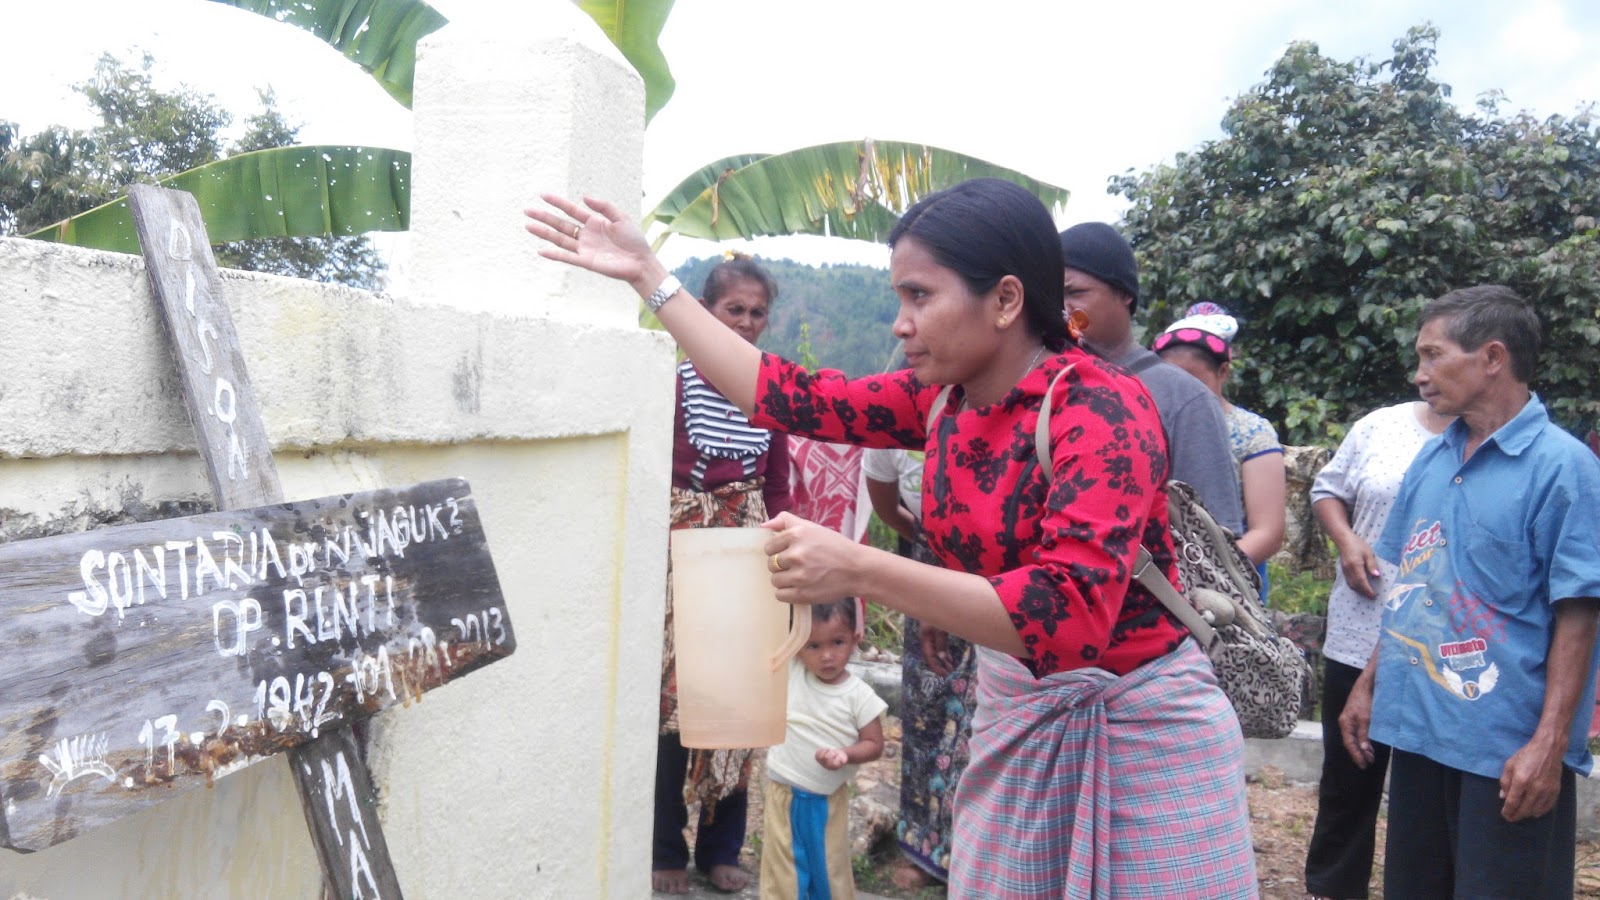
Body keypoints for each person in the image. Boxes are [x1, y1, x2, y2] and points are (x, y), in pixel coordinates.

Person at [527, 177, 1258, 897]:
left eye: (919, 296)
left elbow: (1068, 616)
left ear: (1006, 300)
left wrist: (862, 568)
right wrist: (650, 278)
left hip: (1140, 729)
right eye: (898, 298)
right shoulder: (944, 400)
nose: (900, 324)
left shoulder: (1099, 410)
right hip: (1020, 711)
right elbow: (786, 395)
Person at [1340, 285, 1600, 899]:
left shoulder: (1564, 469)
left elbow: (1581, 612)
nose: (1420, 374)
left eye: (1433, 355)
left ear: (1492, 358)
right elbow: (1414, 581)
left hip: (1505, 750)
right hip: (1419, 731)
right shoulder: (1434, 459)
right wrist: (1370, 681)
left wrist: (1549, 744)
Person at [653, 257, 792, 894]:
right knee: (674, 702)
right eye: (734, 309)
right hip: (681, 562)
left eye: (757, 312)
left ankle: (721, 848)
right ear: (707, 311)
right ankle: (664, 847)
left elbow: (779, 488)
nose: (746, 321)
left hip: (746, 559)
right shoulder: (675, 387)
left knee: (737, 700)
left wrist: (782, 557)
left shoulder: (771, 394)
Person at [1302, 398, 1453, 899]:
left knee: (1427, 791)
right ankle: (1333, 889)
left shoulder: (1486, 443)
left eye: (1436, 359)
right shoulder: (1379, 426)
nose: (1424, 373)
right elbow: (1328, 489)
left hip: (1438, 642)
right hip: (1359, 627)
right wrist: (1347, 540)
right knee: (1348, 779)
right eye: (1422, 359)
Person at [1057, 222, 1244, 535]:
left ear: (1125, 294)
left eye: (1075, 293)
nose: (1062, 309)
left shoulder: (1183, 398)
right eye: (1052, 295)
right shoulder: (1046, 384)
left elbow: (1216, 535)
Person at [861, 446, 972, 886]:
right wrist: (931, 552)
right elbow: (888, 508)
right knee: (927, 713)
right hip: (929, 569)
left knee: (988, 716)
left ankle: (976, 852)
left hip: (1003, 571)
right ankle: (927, 851)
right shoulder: (892, 432)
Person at [1153, 303, 1287, 599]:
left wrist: (1207, 575)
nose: (1182, 392)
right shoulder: (1146, 422)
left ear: (1223, 372)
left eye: (1192, 381)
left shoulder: (1252, 431)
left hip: (1232, 580)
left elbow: (1267, 532)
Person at [760, 597, 888, 899]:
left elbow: (874, 744)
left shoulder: (859, 695)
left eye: (837, 642)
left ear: (855, 637)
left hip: (827, 802)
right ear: (797, 646)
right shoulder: (794, 671)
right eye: (813, 646)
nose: (827, 656)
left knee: (829, 869)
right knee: (784, 870)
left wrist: (845, 754)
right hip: (783, 794)